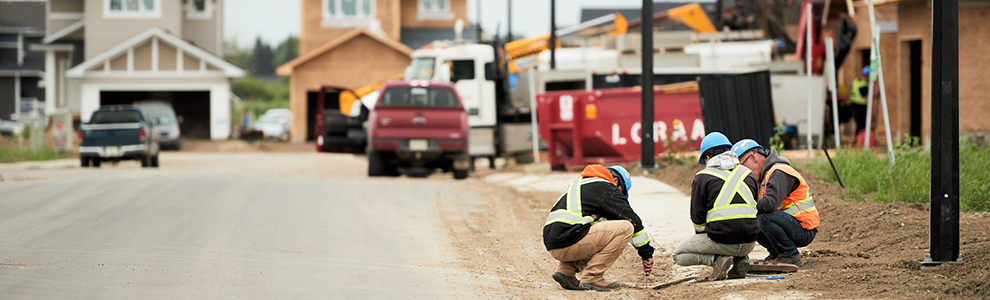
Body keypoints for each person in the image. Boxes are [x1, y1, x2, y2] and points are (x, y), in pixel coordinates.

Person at [543, 164, 655, 291]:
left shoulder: (580, 184)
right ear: (615, 181)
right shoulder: (605, 187)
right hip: (570, 241)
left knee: (599, 229)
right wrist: (646, 253)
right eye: (621, 193)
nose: (620, 197)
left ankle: (566, 271)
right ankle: (593, 277)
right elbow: (632, 219)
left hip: (554, 244)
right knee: (626, 228)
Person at [671, 132, 759, 281]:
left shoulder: (702, 177)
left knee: (678, 255)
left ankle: (717, 261)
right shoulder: (748, 174)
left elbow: (697, 218)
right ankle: (740, 260)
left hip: (722, 241)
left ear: (707, 157)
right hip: (750, 244)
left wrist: (704, 238)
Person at [731, 139, 820, 267]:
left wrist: (742, 206)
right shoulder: (764, 177)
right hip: (791, 226)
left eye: (742, 167)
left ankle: (789, 254)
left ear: (752, 158)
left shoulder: (779, 171)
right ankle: (776, 253)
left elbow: (769, 204)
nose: (743, 173)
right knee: (751, 220)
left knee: (762, 217)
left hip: (804, 229)